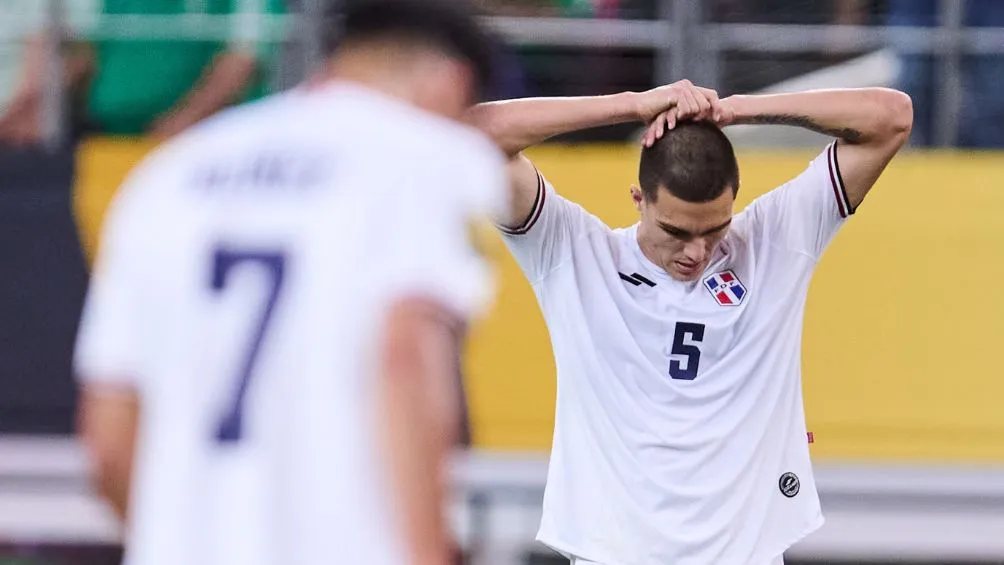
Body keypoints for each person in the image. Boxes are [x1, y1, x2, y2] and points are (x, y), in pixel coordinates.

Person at [73, 2, 506, 565]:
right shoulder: (429, 158)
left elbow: (109, 436)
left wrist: (183, 538)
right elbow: (406, 357)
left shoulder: (170, 173)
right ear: (452, 83)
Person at [469, 81, 912, 564]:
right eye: (675, 231)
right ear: (639, 199)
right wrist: (633, 105)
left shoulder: (775, 242)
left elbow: (891, 116)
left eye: (715, 229)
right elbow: (470, 133)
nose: (696, 252)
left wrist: (737, 110)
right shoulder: (573, 253)